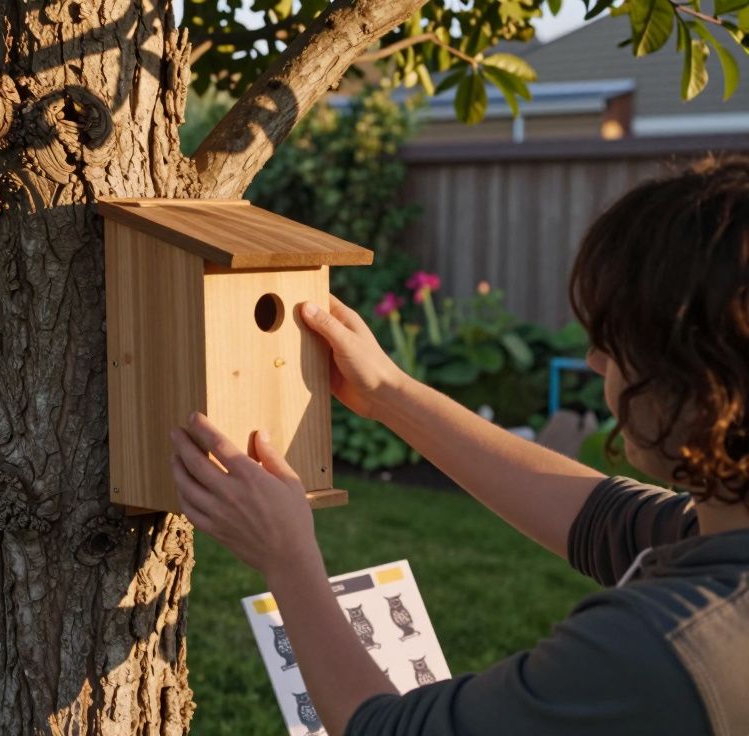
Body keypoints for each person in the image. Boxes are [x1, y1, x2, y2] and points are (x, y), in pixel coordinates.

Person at [169, 157, 749, 736]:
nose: (597, 361)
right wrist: (390, 393)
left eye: (619, 343)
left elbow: (386, 730)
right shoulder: (724, 546)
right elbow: (605, 521)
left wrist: (286, 557)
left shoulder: (659, 651)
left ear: (701, 384)